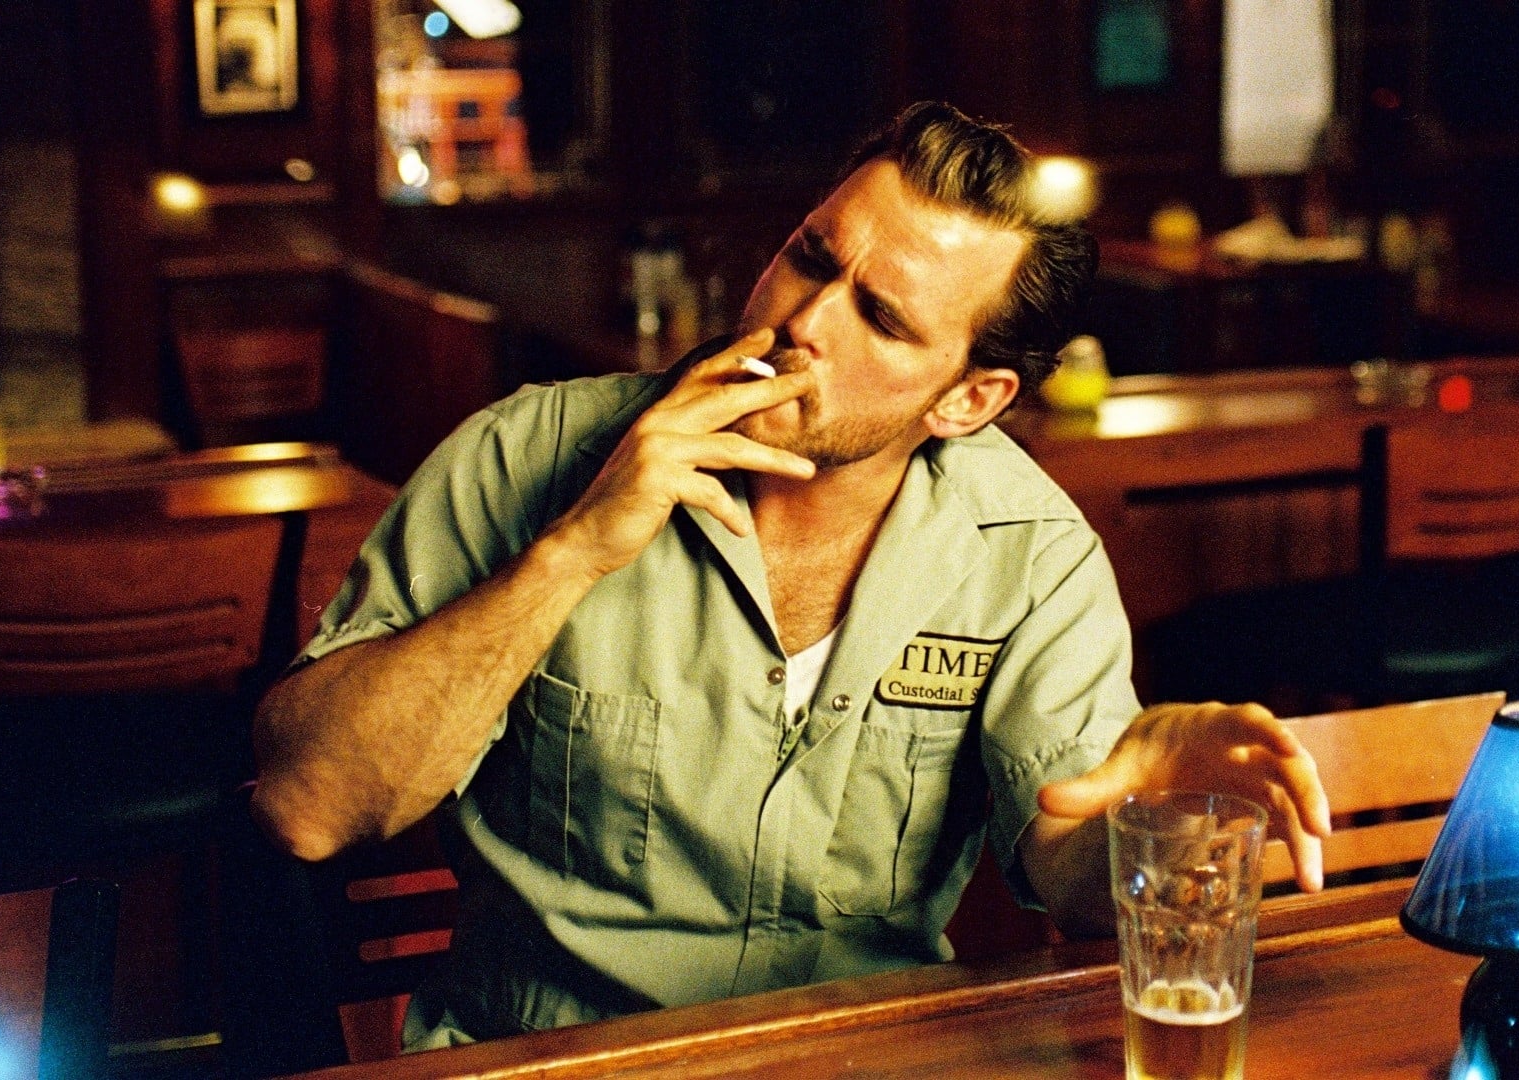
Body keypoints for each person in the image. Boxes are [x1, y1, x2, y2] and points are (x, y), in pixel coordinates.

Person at [252, 101, 1329, 1047]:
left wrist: (1160, 822)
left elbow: (1075, 878)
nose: (804, 321)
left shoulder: (1028, 552)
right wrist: (575, 549)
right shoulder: (525, 454)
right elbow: (307, 806)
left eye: (882, 319)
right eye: (812, 257)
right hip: (558, 1058)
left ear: (968, 400)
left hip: (863, 1055)